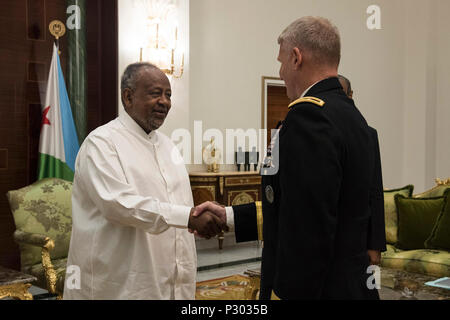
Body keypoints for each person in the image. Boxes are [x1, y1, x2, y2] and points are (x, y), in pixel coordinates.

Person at [195, 16, 380, 300]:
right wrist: (230, 216)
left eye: (281, 62)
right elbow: (290, 205)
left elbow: (307, 231)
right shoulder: (352, 116)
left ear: (296, 58)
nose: (280, 73)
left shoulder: (309, 117)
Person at [64, 63, 226, 300]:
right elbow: (119, 205)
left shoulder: (169, 147)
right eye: (155, 93)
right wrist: (188, 216)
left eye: (168, 95)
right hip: (119, 283)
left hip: (170, 280)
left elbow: (180, 206)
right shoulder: (101, 143)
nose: (165, 102)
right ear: (128, 97)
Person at [338, 74, 387, 266]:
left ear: (350, 95)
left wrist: (375, 245)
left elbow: (375, 191)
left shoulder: (368, 134)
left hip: (359, 239)